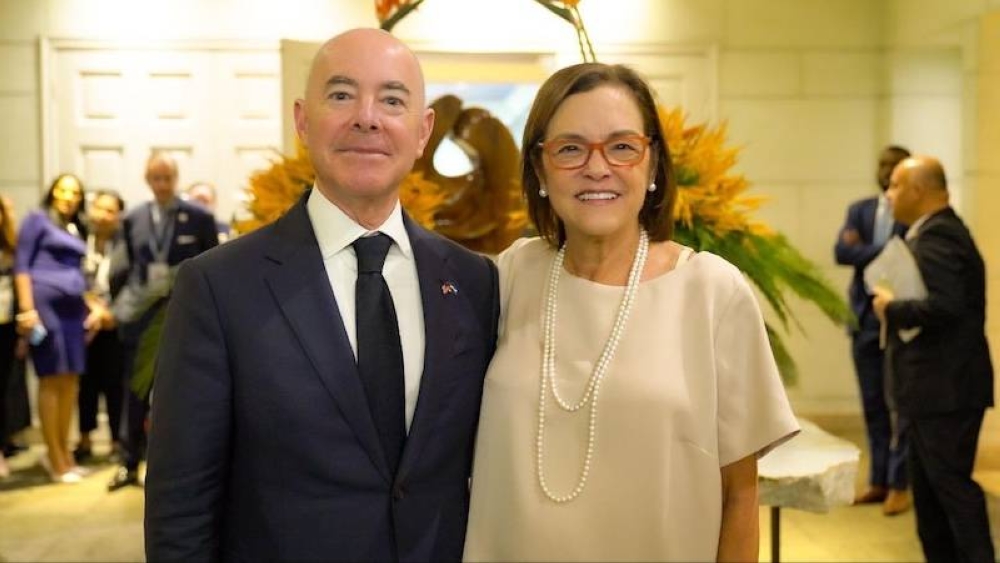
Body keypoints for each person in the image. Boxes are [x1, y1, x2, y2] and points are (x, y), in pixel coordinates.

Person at [144, 28, 500, 562]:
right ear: (302, 120)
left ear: (423, 131)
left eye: (393, 100)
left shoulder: (473, 281)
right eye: (340, 95)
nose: (367, 117)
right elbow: (181, 507)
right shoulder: (219, 287)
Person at [462, 63, 799, 562]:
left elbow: (741, 497)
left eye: (621, 146)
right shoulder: (511, 275)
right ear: (539, 169)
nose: (597, 168)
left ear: (654, 164)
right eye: (570, 148)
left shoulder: (711, 293)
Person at [873, 156, 995, 562]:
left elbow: (947, 307)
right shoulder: (935, 232)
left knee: (952, 494)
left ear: (917, 191)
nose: (887, 196)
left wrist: (893, 308)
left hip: (945, 392)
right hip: (934, 392)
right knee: (931, 503)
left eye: (893, 186)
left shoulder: (939, 236)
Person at [107, 152, 218, 491]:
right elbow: (125, 270)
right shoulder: (134, 219)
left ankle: (187, 463)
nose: (162, 185)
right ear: (147, 180)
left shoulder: (198, 217)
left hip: (184, 316)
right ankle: (129, 462)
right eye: (156, 178)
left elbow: (213, 267)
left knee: (184, 389)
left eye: (167, 178)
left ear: (176, 178)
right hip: (143, 319)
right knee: (135, 390)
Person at [834, 144, 912, 515]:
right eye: (882, 165)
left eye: (893, 167)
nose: (885, 171)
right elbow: (841, 252)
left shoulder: (911, 214)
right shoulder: (860, 209)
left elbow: (906, 255)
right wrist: (884, 250)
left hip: (897, 319)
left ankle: (900, 483)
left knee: (900, 405)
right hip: (863, 320)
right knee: (873, 405)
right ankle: (878, 479)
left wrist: (866, 248)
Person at [14, 174, 89, 483]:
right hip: (46, 308)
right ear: (52, 192)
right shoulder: (36, 220)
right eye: (63, 189)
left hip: (73, 312)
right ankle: (54, 457)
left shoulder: (74, 227)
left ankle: (65, 454)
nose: (68, 196)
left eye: (75, 192)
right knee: (51, 379)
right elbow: (22, 266)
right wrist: (28, 309)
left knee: (70, 381)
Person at [75, 190, 126, 464]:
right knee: (86, 385)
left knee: (114, 384)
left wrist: (109, 314)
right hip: (81, 322)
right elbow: (71, 277)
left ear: (119, 215)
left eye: (111, 210)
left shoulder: (125, 243)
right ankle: (84, 438)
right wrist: (90, 308)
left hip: (114, 324)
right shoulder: (79, 239)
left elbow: (132, 283)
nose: (104, 215)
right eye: (99, 208)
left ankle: (117, 441)